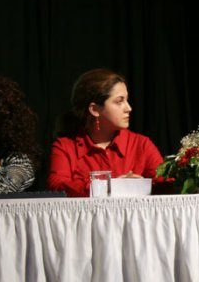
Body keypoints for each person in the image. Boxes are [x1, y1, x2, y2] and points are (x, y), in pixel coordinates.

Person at [47, 68, 163, 197]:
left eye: (127, 100)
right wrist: (111, 187)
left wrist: (142, 185)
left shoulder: (141, 144)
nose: (129, 108)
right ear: (95, 109)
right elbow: (56, 186)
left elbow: (165, 183)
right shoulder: (65, 146)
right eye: (119, 101)